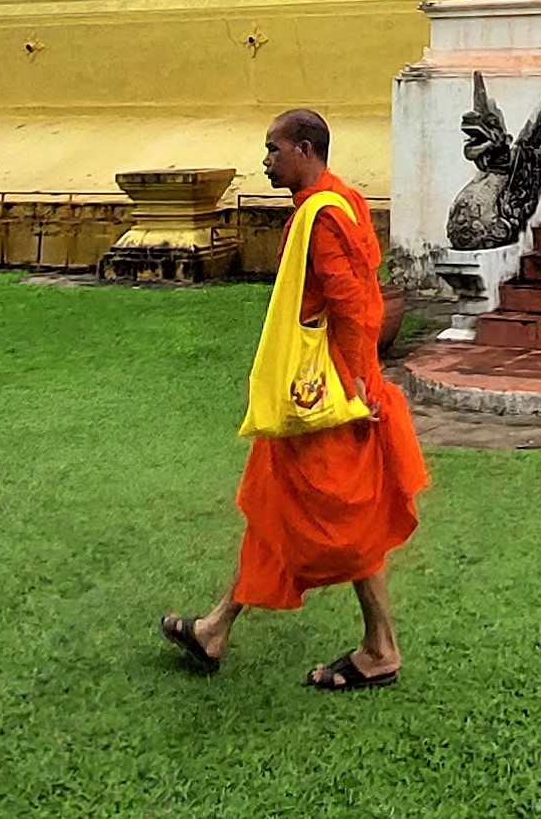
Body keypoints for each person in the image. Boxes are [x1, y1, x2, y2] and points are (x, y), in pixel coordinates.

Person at [163, 108, 428, 691]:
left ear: (304, 149)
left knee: (345, 520)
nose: (265, 161)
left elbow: (355, 304)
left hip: (327, 395)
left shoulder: (323, 216)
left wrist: (361, 382)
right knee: (278, 505)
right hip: (326, 390)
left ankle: (381, 647)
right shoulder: (343, 202)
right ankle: (216, 627)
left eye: (272, 149)